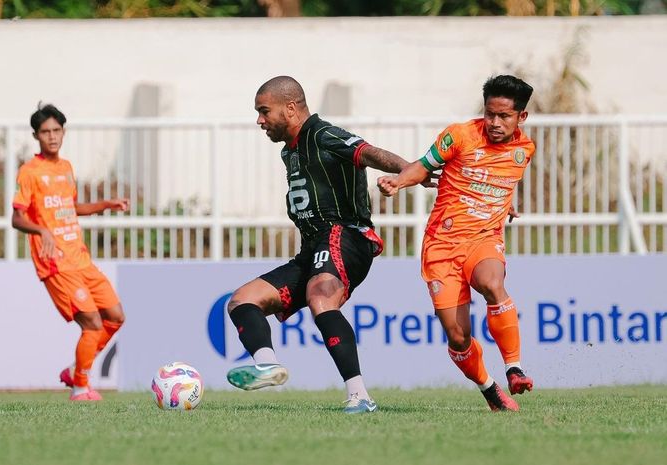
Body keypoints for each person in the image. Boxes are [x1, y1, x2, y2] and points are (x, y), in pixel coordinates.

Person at [225, 76, 413, 414]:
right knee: (241, 300)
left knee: (320, 295)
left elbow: (369, 153)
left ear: (292, 108)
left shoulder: (323, 134)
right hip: (312, 247)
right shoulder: (290, 151)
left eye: (264, 111)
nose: (259, 120)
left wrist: (408, 174)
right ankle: (267, 365)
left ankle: (359, 396)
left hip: (347, 235)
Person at [378, 75, 535, 412]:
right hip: (442, 246)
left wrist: (505, 204)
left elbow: (501, 180)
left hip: (484, 238)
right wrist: (399, 181)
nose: (494, 123)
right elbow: (423, 166)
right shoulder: (459, 135)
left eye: (504, 116)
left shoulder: (525, 150)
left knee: (492, 283)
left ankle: (514, 368)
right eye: (490, 114)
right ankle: (491, 391)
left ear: (521, 117)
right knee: (458, 336)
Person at [12, 104, 128, 401]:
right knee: (92, 323)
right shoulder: (29, 172)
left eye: (56, 130)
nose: (51, 136)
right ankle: (80, 387)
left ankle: (75, 369)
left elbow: (70, 208)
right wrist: (42, 231)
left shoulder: (65, 168)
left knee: (115, 317)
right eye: (45, 132)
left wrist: (105, 204)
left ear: (63, 132)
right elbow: (17, 217)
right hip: (56, 264)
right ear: (36, 136)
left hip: (81, 259)